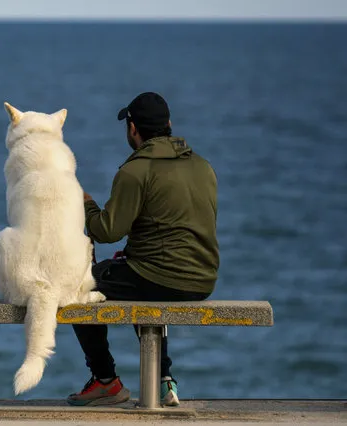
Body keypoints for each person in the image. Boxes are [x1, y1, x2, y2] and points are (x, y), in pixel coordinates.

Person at [67, 92, 220, 407]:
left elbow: (106, 231)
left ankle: (105, 380)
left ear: (133, 129)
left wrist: (84, 202)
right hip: (203, 278)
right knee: (138, 273)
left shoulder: (136, 171)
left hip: (160, 277)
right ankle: (164, 381)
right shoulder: (202, 166)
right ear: (169, 125)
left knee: (74, 285)